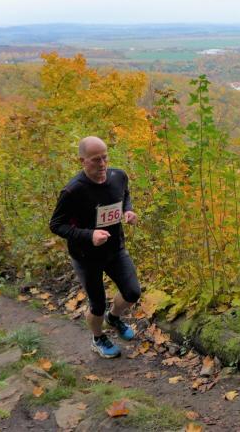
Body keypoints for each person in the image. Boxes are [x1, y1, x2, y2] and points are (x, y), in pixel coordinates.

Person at [50, 136, 142, 358]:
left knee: (132, 293)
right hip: (86, 256)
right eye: (95, 160)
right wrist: (89, 235)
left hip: (115, 249)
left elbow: (124, 195)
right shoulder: (73, 191)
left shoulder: (118, 176)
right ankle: (98, 338)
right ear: (82, 161)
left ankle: (114, 318)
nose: (102, 164)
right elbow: (56, 225)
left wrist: (128, 210)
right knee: (97, 305)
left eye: (105, 157)